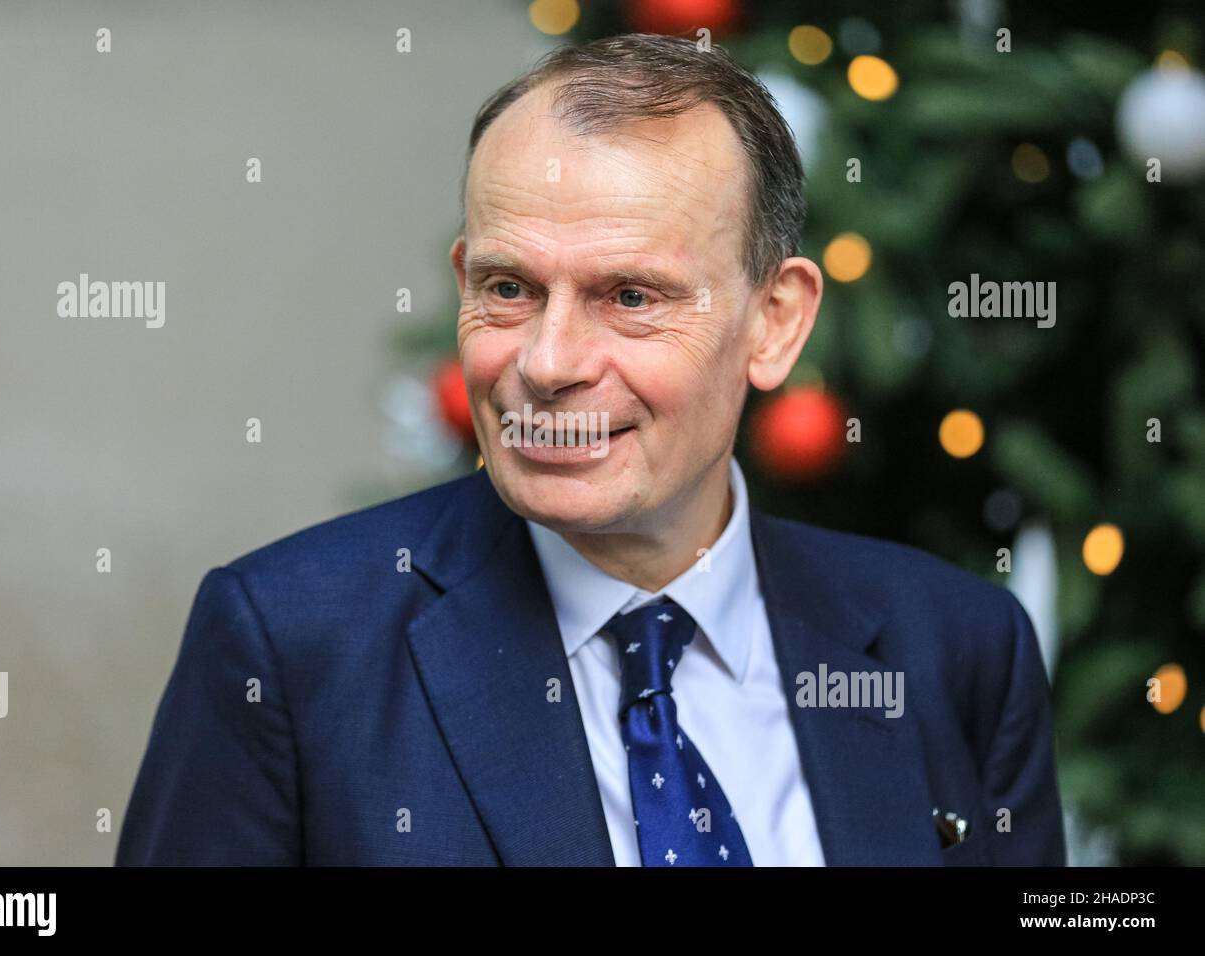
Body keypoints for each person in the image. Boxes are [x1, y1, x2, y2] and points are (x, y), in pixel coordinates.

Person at [116, 33, 1065, 866]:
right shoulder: (290, 647)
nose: (547, 362)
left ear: (775, 323)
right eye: (509, 288)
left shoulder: (957, 649)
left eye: (631, 296)